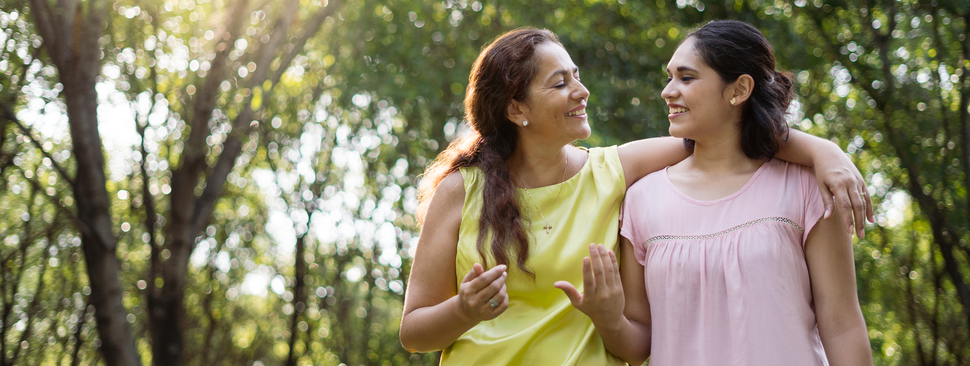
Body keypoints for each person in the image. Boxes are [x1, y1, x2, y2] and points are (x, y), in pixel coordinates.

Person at [400, 27, 872, 365]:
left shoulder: (614, 173)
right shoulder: (462, 191)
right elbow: (413, 333)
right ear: (516, 109)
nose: (581, 91)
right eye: (559, 83)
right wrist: (463, 310)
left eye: (576, 75)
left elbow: (725, 133)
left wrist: (822, 151)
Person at [559, 20, 874, 365]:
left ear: (739, 90)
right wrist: (607, 318)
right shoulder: (642, 198)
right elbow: (639, 345)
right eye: (669, 77)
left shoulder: (807, 186)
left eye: (687, 77)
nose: (667, 91)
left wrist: (824, 151)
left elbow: (841, 325)